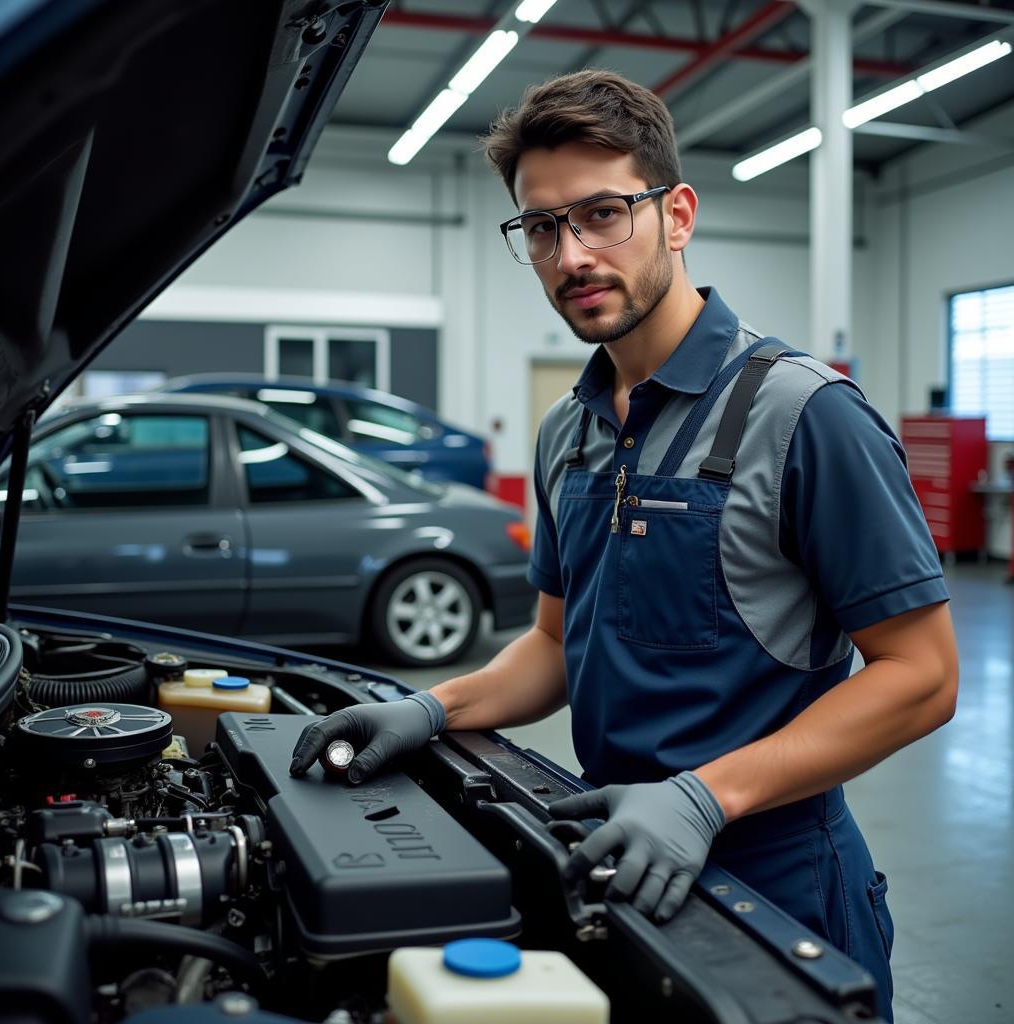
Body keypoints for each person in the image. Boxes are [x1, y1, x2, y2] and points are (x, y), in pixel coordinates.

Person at [290, 70, 958, 1019]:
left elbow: (922, 673)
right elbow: (556, 647)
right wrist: (431, 709)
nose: (572, 254)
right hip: (618, 866)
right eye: (542, 228)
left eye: (603, 213)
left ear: (676, 215)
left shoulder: (806, 415)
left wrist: (704, 798)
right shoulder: (568, 433)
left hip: (780, 885)